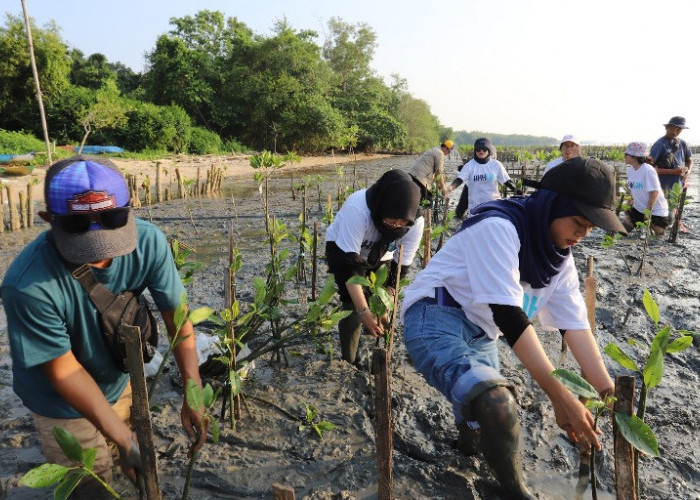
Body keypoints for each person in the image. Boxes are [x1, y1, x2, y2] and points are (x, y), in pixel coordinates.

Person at [401, 157, 624, 499]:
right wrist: (560, 396)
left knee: (479, 419)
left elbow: (575, 327)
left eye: (592, 227)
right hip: (436, 316)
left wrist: (608, 392)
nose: (582, 234)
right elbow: (509, 315)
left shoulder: (558, 257)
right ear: (551, 206)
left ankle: (466, 451)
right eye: (579, 222)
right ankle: (517, 492)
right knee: (496, 404)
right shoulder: (498, 227)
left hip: (482, 329)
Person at [1, 156, 208, 491]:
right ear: (47, 220)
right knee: (93, 482)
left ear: (130, 209)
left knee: (125, 456)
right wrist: (126, 440)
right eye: (78, 230)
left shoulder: (150, 242)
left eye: (112, 220)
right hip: (60, 399)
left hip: (114, 375)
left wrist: (193, 392)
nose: (100, 253)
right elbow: (64, 372)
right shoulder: (26, 284)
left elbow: (178, 319)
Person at [325, 169, 424, 365]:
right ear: (380, 210)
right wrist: (363, 311)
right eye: (390, 221)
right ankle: (350, 360)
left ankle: (379, 351)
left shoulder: (415, 222)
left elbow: (400, 269)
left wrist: (385, 301)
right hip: (343, 250)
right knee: (351, 304)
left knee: (379, 303)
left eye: (401, 223)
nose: (395, 226)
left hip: (382, 254)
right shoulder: (358, 208)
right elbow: (351, 269)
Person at [446, 137, 521, 219]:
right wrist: (450, 188)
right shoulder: (469, 166)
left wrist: (518, 191)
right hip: (475, 209)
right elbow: (459, 180)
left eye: (484, 149)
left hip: (493, 207)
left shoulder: (496, 165)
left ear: (489, 150)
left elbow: (507, 181)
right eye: (478, 149)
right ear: (475, 151)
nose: (481, 151)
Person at [622, 142, 670, 235]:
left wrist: (648, 212)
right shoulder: (630, 170)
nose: (624, 156)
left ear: (635, 156)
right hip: (639, 209)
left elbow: (654, 193)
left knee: (659, 237)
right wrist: (629, 203)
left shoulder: (648, 170)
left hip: (656, 211)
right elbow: (633, 188)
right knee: (622, 231)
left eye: (626, 154)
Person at [650, 116, 693, 193]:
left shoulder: (683, 143)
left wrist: (688, 170)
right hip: (662, 190)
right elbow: (648, 169)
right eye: (672, 128)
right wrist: (674, 171)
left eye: (678, 129)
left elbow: (689, 160)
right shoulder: (659, 144)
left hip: (678, 189)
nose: (674, 132)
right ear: (666, 127)